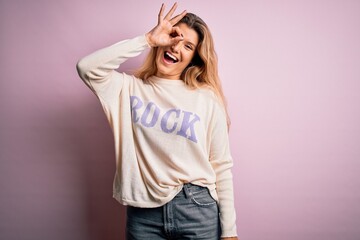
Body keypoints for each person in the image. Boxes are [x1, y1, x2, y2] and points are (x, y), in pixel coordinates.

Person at [76, 2, 238, 239]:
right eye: (174, 36)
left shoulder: (206, 98)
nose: (176, 46)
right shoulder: (127, 89)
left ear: (194, 58)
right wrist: (147, 40)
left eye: (188, 45)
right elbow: (86, 68)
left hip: (196, 207)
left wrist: (230, 232)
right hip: (144, 214)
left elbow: (221, 165)